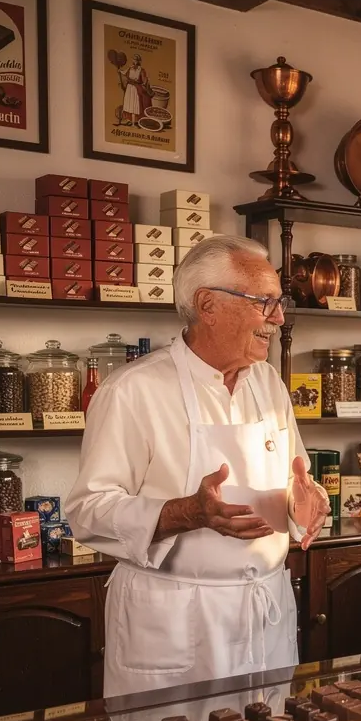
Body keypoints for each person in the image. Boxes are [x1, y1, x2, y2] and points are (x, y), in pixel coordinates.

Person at [64, 235, 330, 697]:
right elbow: (87, 510)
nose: (280, 318)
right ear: (207, 304)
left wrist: (304, 504)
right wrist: (188, 512)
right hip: (176, 619)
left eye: (279, 302)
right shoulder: (134, 390)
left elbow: (295, 481)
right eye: (264, 302)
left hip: (264, 614)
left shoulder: (268, 384)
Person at [117, 53, 152, 126]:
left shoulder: (141, 70)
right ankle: (129, 120)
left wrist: (146, 82)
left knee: (134, 105)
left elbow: (144, 80)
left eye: (136, 60)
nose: (134, 61)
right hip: (129, 88)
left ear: (139, 61)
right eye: (134, 59)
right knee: (128, 105)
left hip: (136, 89)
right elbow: (124, 73)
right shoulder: (130, 68)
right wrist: (119, 71)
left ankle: (134, 122)